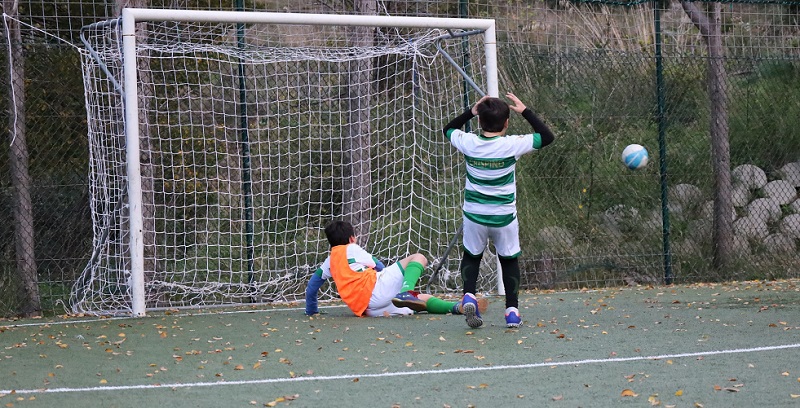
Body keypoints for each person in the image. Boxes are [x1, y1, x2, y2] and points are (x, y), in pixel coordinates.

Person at [444, 92, 555, 328]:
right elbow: (547, 137)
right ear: (506, 123)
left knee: (472, 255)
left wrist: (470, 112)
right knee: (508, 259)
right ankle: (512, 312)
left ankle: (469, 295)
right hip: (503, 217)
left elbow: (448, 129)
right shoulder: (511, 145)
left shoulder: (469, 142)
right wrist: (525, 111)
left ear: (479, 121)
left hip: (475, 215)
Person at [305, 220, 487, 317]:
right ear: (352, 238)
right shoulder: (352, 249)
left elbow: (312, 288)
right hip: (376, 290)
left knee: (421, 300)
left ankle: (457, 308)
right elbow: (379, 266)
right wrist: (392, 283)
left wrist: (312, 310)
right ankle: (405, 292)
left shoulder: (329, 260)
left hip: (367, 309)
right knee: (418, 258)